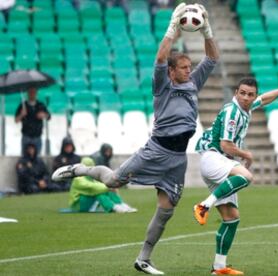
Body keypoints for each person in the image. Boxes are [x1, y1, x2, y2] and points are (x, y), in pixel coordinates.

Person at [52, 3, 218, 275]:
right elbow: (161, 59)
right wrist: (172, 27)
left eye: (190, 66)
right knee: (113, 181)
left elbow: (212, 59)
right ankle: (79, 169)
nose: (190, 70)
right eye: (185, 67)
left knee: (166, 210)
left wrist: (207, 29)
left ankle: (144, 259)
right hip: (155, 151)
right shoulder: (162, 84)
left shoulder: (192, 83)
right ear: (173, 71)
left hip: (178, 158)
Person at [193, 78, 278, 275]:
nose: (246, 97)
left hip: (221, 160)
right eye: (242, 93)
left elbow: (265, 99)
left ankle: (219, 267)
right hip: (213, 157)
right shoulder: (232, 112)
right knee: (246, 176)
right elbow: (225, 145)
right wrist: (247, 155)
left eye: (250, 94)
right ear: (236, 92)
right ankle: (204, 205)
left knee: (232, 218)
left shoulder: (246, 106)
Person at [69, 157, 137, 213]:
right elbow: (92, 187)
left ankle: (121, 204)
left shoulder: (90, 177)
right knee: (100, 193)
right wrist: (108, 187)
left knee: (106, 191)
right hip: (78, 205)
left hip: (86, 201)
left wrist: (109, 188)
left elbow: (97, 185)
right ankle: (114, 207)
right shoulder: (78, 179)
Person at [15, 87, 51, 155]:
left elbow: (49, 117)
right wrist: (21, 115)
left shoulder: (41, 105)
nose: (32, 94)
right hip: (26, 136)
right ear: (28, 93)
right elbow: (16, 120)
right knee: (25, 157)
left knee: (37, 157)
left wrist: (44, 115)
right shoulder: (23, 105)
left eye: (34, 92)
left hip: (37, 136)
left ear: (36, 93)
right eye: (30, 92)